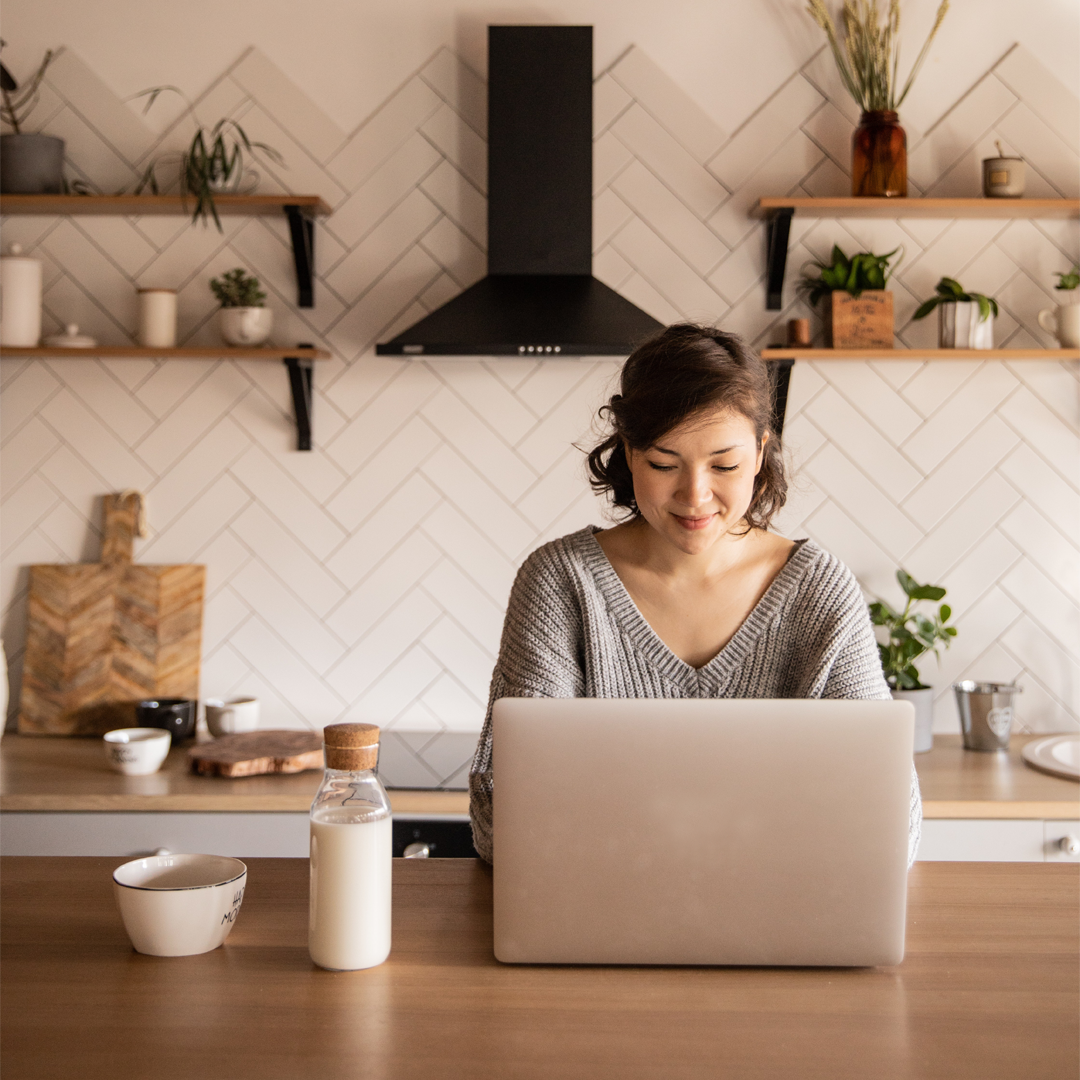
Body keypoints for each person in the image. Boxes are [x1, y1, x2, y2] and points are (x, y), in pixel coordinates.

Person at [468, 324, 921, 864]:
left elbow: (892, 826)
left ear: (759, 453)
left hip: (780, 929)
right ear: (629, 453)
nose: (695, 495)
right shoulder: (560, 584)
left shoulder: (820, 593)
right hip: (601, 929)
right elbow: (501, 824)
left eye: (724, 465)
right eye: (664, 464)